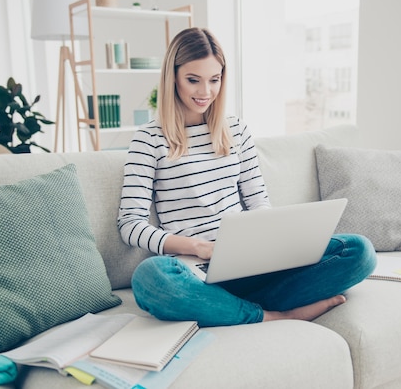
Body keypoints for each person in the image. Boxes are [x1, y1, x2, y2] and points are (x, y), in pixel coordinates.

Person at [118, 27, 376, 327]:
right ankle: (271, 315)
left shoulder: (236, 130)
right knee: (150, 278)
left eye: (214, 80)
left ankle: (227, 310)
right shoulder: (149, 139)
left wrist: (269, 245)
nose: (205, 92)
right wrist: (198, 247)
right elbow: (130, 224)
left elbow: (257, 201)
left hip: (252, 265)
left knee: (359, 251)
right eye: (193, 80)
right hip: (197, 271)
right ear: (172, 77)